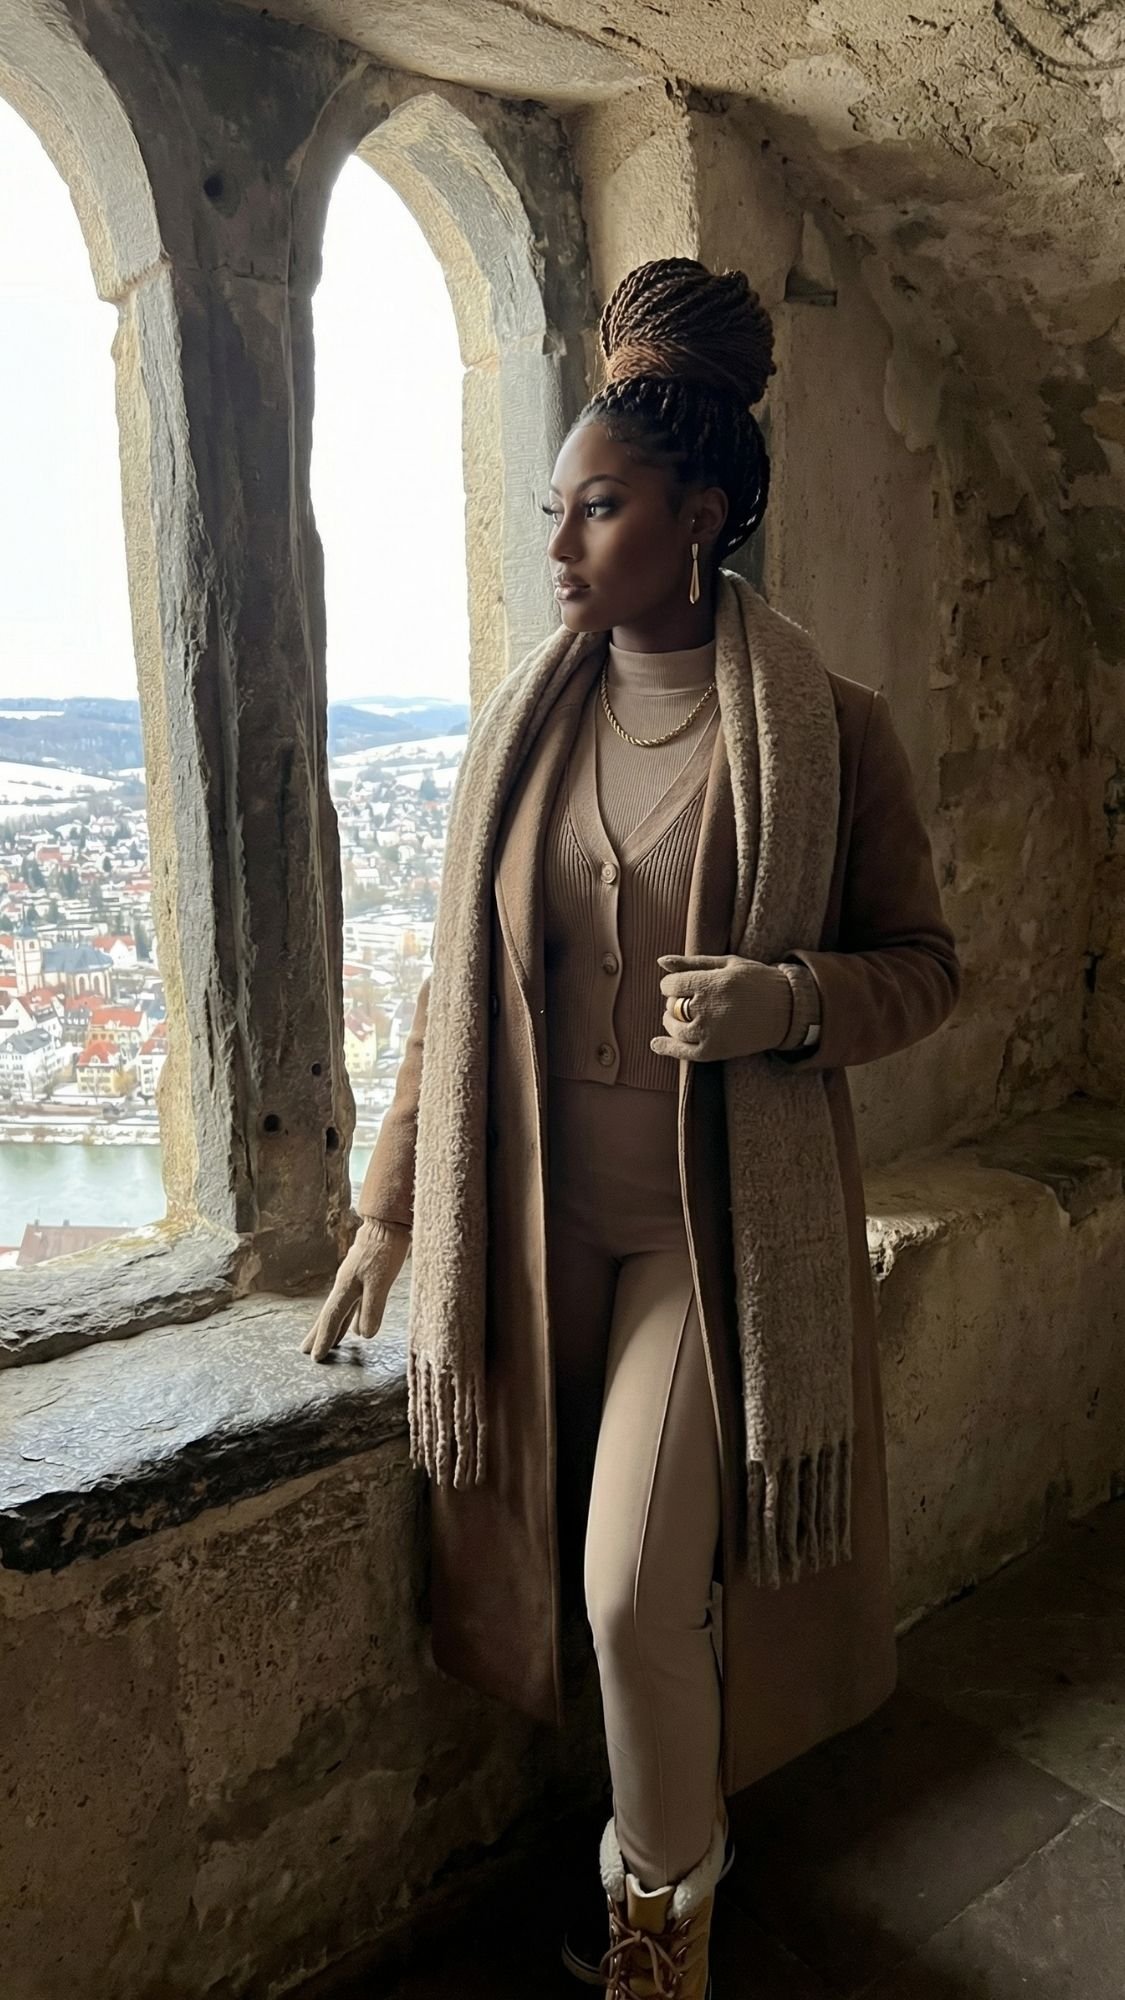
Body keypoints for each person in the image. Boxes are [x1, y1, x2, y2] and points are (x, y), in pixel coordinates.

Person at [303, 257, 961, 2000]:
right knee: (565, 1580)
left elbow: (927, 969)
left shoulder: (829, 736)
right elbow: (455, 986)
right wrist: (387, 1211)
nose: (558, 545)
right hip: (530, 1227)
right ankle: (659, 1845)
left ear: (704, 513)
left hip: (705, 1241)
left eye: (595, 508)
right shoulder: (522, 732)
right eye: (551, 509)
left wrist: (791, 1003)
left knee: (618, 1593)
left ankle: (663, 1918)